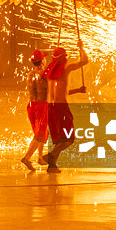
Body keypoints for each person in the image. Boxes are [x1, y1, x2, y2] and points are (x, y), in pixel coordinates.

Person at [41, 41, 88, 173]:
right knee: (68, 138)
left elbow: (61, 90)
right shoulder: (66, 68)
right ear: (63, 58)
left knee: (59, 138)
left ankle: (52, 165)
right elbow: (85, 61)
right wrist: (81, 48)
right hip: (61, 107)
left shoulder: (49, 72)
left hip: (50, 107)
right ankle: (49, 156)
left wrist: (78, 90)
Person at [21, 49, 49, 171]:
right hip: (42, 105)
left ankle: (40, 157)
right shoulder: (44, 74)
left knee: (41, 133)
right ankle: (27, 158)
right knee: (40, 134)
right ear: (42, 61)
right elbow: (50, 91)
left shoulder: (30, 74)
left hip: (31, 105)